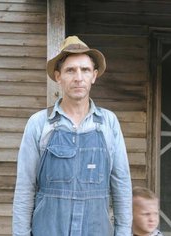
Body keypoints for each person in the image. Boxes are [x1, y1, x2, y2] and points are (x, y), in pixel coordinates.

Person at [12, 35, 132, 236]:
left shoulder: (108, 123)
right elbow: (25, 188)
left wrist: (123, 233)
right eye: (70, 70)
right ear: (58, 76)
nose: (78, 77)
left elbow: (122, 185)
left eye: (85, 70)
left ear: (94, 75)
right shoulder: (40, 123)